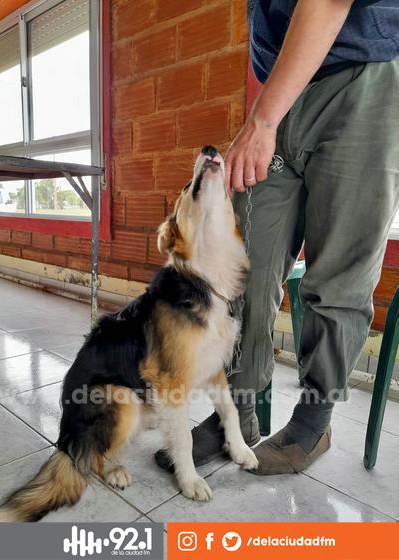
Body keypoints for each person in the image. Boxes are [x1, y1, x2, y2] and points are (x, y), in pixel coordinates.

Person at [156, 0, 399, 474]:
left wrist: (262, 121)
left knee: (338, 279)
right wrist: (270, 113)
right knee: (242, 270)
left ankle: (313, 423)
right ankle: (237, 413)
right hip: (285, 92)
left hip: (364, 77)